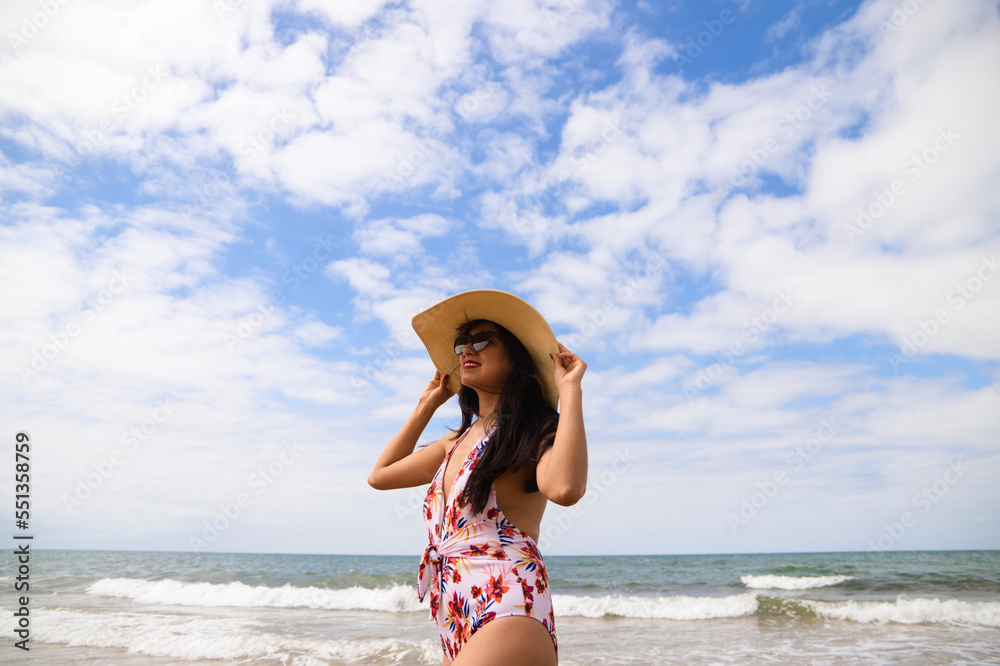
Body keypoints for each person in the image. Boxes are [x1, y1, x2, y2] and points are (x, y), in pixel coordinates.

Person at [368, 289, 588, 665]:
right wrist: (426, 405)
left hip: (508, 597)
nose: (467, 351)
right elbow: (380, 476)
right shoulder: (453, 442)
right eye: (461, 345)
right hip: (455, 610)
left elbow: (565, 489)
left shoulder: (534, 428)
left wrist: (570, 391)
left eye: (482, 341)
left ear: (518, 357)